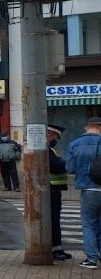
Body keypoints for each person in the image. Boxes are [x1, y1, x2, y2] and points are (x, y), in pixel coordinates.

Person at [64, 115, 101, 270]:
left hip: (88, 188)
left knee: (88, 224)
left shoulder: (75, 144)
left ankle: (91, 259)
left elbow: (70, 168)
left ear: (86, 127)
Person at [47, 124, 72, 261]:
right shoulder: (46, 150)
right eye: (55, 136)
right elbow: (56, 165)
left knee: (54, 219)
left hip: (54, 189)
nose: (56, 139)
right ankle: (55, 249)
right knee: (53, 220)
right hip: (51, 190)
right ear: (50, 135)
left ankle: (57, 248)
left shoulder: (49, 149)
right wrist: (66, 164)